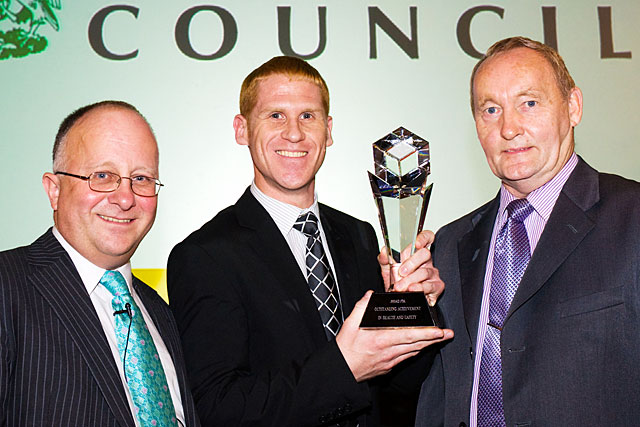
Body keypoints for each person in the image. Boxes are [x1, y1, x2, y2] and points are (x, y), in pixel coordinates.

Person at [168, 56, 453, 426]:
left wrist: (413, 311)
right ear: (241, 129)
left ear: (328, 130)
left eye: (308, 116)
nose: (294, 133)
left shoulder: (360, 236)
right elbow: (217, 408)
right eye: (275, 116)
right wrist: (343, 366)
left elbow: (397, 390)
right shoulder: (205, 256)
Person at [415, 36, 640, 426]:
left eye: (529, 103)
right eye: (490, 109)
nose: (508, 128)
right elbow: (424, 391)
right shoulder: (448, 246)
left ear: (573, 107)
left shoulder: (632, 218)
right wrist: (409, 311)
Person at [0, 101, 200, 426]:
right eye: (103, 175)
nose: (125, 198)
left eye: (142, 178)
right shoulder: (8, 288)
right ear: (54, 191)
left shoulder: (161, 313)